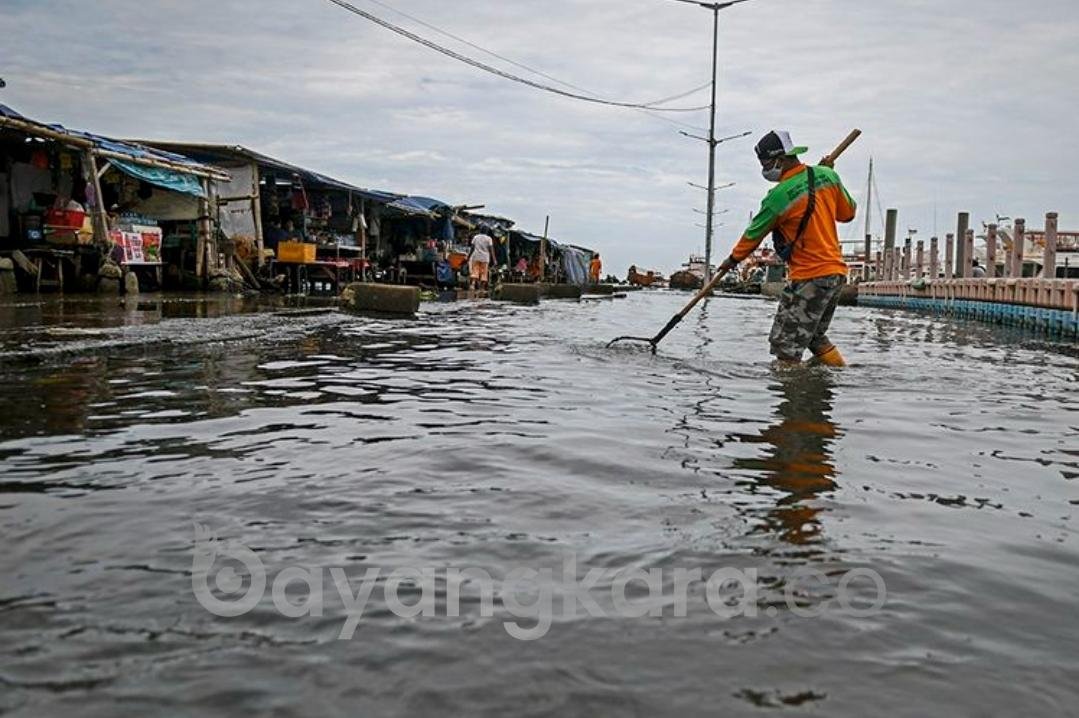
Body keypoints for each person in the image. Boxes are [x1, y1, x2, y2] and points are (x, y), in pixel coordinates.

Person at [719, 130, 857, 368]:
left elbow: (753, 234)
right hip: (835, 275)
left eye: (765, 164)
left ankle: (792, 387)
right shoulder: (827, 176)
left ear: (780, 160)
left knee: (786, 347)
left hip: (810, 277)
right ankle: (838, 376)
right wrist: (829, 179)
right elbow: (848, 213)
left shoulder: (778, 196)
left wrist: (732, 260)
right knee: (814, 337)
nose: (764, 170)